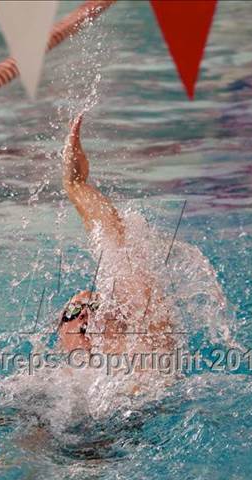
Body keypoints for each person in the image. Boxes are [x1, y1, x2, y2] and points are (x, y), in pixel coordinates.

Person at [58, 114, 175, 367]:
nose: (85, 315)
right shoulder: (45, 381)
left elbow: (113, 236)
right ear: (59, 337)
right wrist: (73, 183)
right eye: (72, 313)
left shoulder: (146, 356)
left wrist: (74, 183)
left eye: (96, 309)